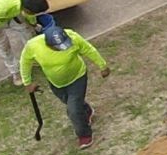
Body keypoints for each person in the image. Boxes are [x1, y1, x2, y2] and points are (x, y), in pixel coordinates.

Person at [17, 16, 109, 147]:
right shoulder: (33, 46)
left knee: (72, 110)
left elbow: (89, 49)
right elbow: (25, 63)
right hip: (56, 83)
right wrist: (27, 82)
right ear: (48, 44)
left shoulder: (73, 37)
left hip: (78, 77)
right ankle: (86, 111)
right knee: (70, 102)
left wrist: (102, 65)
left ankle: (84, 135)